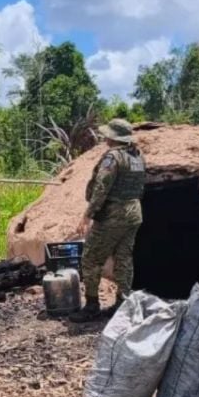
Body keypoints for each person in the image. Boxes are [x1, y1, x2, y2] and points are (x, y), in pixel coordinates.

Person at [69, 118, 145, 323]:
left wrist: (88, 215)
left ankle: (92, 306)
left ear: (113, 137)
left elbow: (102, 187)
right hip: (134, 212)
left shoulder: (113, 157)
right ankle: (123, 303)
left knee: (91, 259)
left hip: (113, 214)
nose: (105, 137)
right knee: (124, 258)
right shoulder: (137, 156)